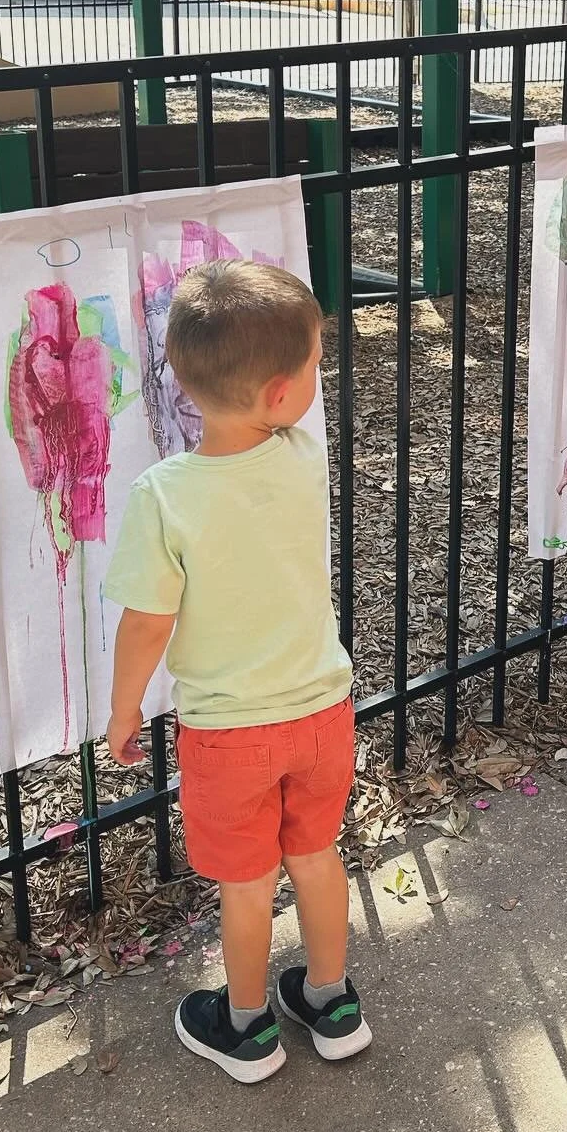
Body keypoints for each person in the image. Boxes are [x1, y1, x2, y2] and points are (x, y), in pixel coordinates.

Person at [104, 260, 369, 1083]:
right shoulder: (302, 457)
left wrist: (123, 712)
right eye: (317, 366)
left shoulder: (163, 495)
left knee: (248, 883)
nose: (319, 380)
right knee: (317, 856)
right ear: (282, 395)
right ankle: (331, 1001)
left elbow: (147, 621)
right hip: (322, 713)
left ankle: (247, 1027)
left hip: (228, 733)